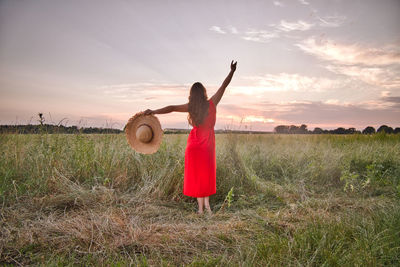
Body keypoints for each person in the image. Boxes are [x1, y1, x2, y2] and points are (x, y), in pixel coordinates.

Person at [143, 60, 237, 214]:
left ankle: (201, 209)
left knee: (198, 177)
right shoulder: (212, 103)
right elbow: (223, 86)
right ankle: (207, 207)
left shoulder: (191, 107)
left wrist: (154, 111)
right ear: (204, 93)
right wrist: (232, 71)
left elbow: (171, 108)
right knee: (206, 175)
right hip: (207, 145)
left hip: (193, 146)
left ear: (192, 95)